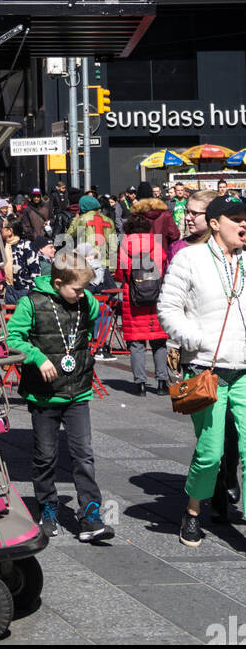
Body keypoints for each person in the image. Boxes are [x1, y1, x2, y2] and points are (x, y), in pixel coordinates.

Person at [7, 246, 114, 542]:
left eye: (84, 289)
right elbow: (12, 338)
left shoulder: (84, 300)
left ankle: (90, 513)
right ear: (57, 284)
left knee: (83, 454)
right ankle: (47, 507)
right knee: (45, 455)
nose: (82, 295)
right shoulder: (32, 303)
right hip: (44, 395)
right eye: (77, 289)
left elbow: (95, 315)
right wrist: (37, 357)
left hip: (77, 391)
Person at [157, 195, 246, 547]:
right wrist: (194, 337)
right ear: (214, 223)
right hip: (206, 368)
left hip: (245, 368)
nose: (243, 224)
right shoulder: (189, 258)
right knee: (210, 452)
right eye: (236, 218)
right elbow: (168, 308)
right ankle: (193, 511)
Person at [116, 206, 170, 396]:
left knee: (137, 343)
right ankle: (162, 382)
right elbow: (163, 267)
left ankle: (140, 384)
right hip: (155, 296)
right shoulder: (155, 243)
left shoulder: (125, 244)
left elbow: (120, 273)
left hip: (133, 297)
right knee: (159, 341)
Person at [66, 195, 117, 272]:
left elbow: (68, 236)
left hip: (87, 262)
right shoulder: (109, 220)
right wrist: (112, 265)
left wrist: (75, 219)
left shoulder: (82, 219)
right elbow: (113, 245)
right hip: (104, 263)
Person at [1, 215, 42, 302]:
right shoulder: (4, 247)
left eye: (3, 227)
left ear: (10, 231)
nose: (1, 229)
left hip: (26, 291)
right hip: (9, 290)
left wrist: (32, 291)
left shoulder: (26, 245)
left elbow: (35, 271)